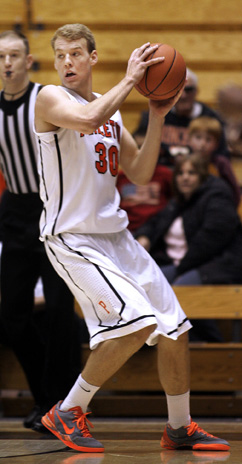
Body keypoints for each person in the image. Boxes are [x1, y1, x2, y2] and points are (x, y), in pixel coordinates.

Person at [34, 23, 229, 453]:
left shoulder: (114, 112)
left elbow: (139, 172)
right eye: (61, 55)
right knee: (135, 325)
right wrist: (129, 79)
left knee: (175, 329)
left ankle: (179, 427)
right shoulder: (49, 98)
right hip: (73, 237)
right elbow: (87, 118)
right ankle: (68, 410)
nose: (67, 62)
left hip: (117, 238)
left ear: (92, 58)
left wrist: (157, 115)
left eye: (76, 54)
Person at [0, 30, 81, 432]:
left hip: (53, 209)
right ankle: (46, 397)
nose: (8, 63)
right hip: (14, 211)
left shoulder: (45, 98)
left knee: (60, 314)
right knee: (12, 317)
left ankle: (61, 406)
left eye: (14, 55)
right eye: (1, 56)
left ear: (29, 60)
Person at [136, 154, 242, 342]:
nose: (185, 177)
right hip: (183, 264)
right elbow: (155, 222)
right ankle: (145, 344)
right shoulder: (179, 201)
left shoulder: (217, 197)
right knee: (143, 284)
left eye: (191, 173)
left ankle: (212, 346)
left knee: (179, 292)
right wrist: (143, 236)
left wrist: (181, 269)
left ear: (201, 176)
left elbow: (209, 241)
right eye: (181, 173)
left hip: (218, 264)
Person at [135, 68, 230, 166]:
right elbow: (137, 146)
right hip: (160, 172)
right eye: (178, 90)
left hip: (200, 174)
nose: (183, 95)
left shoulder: (212, 118)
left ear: (196, 91)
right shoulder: (154, 115)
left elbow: (222, 156)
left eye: (188, 90)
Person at [117, 128, 173, 233]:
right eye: (137, 148)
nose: (142, 154)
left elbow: (173, 205)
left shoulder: (166, 174)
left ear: (158, 150)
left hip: (157, 232)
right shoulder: (120, 176)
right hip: (126, 230)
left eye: (146, 148)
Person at [187, 116, 241, 208]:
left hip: (217, 207)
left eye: (208, 140)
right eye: (198, 138)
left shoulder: (221, 163)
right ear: (189, 139)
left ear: (216, 144)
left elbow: (234, 190)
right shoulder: (185, 162)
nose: (202, 144)